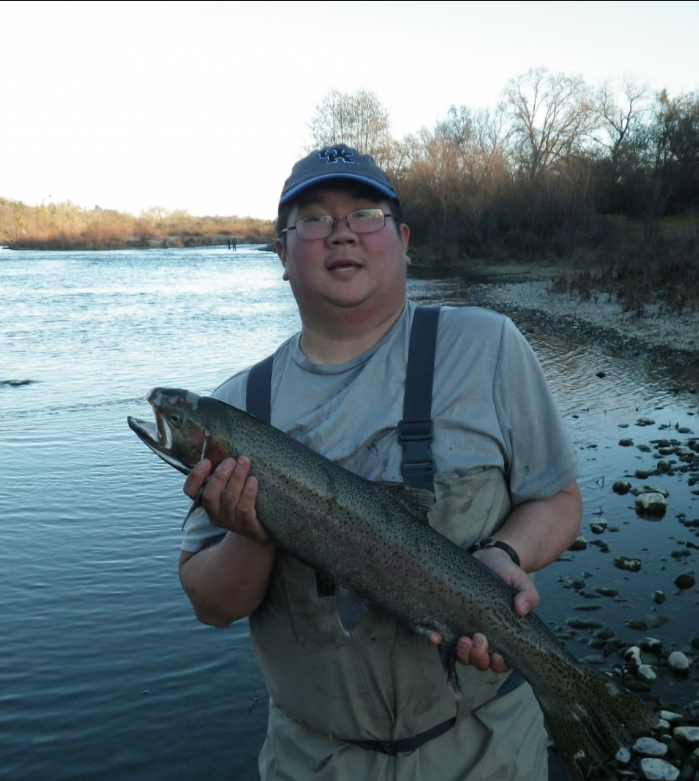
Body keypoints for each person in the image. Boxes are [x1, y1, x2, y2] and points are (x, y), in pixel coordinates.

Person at [178, 144, 582, 780]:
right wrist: (252, 532)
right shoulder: (235, 408)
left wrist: (503, 556)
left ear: (404, 240)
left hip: (488, 750)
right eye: (311, 219)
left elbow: (558, 501)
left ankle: (582, 702)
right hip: (315, 759)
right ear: (281, 255)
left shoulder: (487, 347)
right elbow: (211, 604)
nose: (341, 232)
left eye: (365, 212)